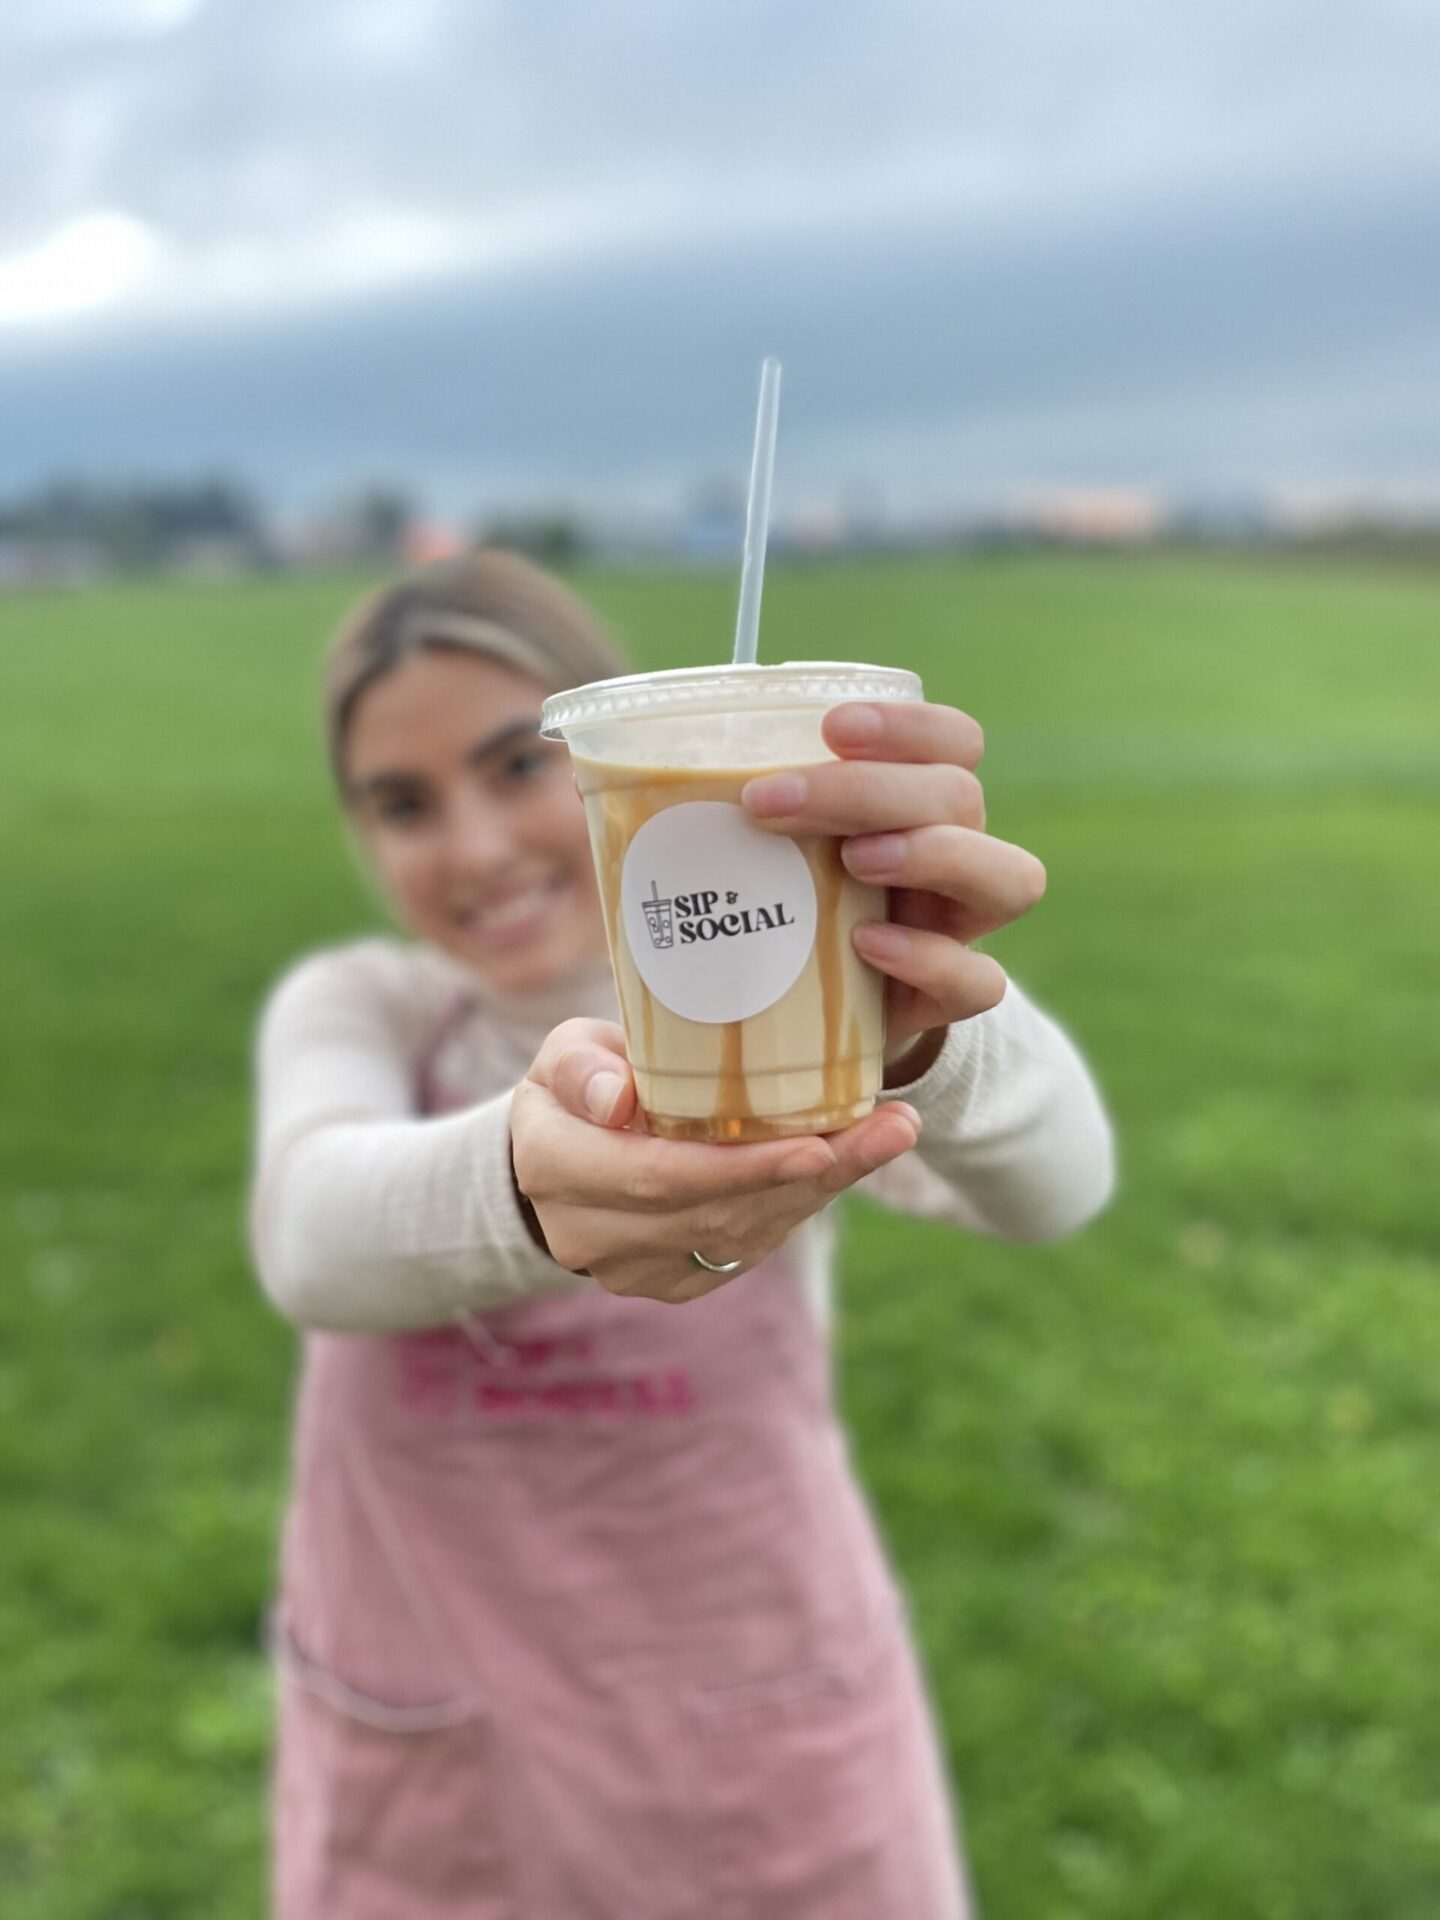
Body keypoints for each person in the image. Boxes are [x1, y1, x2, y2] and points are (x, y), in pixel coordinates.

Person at [249, 548, 1114, 1918]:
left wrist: (928, 1023)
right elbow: (312, 1234)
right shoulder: (364, 1008)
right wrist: (525, 1187)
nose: (474, 847)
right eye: (403, 804)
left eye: (517, 767)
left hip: (762, 1758)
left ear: (626, 757)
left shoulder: (788, 1028)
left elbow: (1061, 1180)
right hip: (440, 1779)